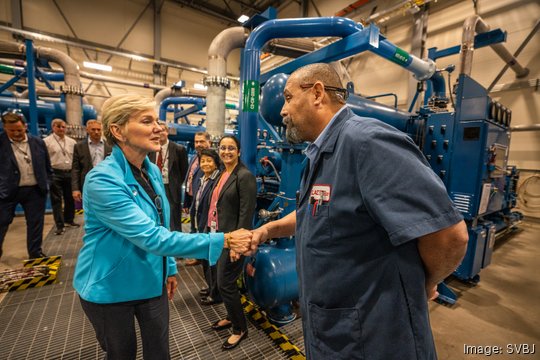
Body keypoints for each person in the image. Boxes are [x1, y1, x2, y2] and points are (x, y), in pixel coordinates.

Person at [249, 63, 469, 360]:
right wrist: (268, 229)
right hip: (333, 331)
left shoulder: (366, 142)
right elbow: (317, 213)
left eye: (288, 98)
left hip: (373, 337)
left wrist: (424, 283)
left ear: (317, 94)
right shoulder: (318, 154)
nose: (283, 111)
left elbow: (449, 234)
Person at [72, 94, 252, 360]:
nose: (158, 127)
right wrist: (223, 240)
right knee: (122, 353)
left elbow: (161, 221)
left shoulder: (152, 170)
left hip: (151, 280)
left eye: (157, 120)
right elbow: (153, 237)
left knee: (159, 352)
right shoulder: (102, 180)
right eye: (147, 121)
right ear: (118, 130)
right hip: (110, 286)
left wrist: (168, 269)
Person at [209, 135, 257, 350]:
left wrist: (238, 245)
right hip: (220, 236)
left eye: (231, 148)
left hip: (233, 240)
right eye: (223, 148)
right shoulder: (222, 173)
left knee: (226, 284)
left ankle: (240, 329)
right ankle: (231, 316)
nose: (226, 151)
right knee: (222, 282)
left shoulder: (244, 176)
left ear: (238, 152)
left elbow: (246, 213)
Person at [0, 109, 52, 260]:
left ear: (25, 126)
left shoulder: (38, 142)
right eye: (12, 131)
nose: (16, 133)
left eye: (19, 130)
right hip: (8, 192)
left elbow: (47, 167)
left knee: (36, 224)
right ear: (5, 128)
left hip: (35, 190)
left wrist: (47, 183)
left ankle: (35, 254)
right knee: (2, 223)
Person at [189, 149, 222, 305]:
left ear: (216, 163)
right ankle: (210, 287)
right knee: (204, 260)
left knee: (211, 262)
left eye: (209, 160)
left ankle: (216, 293)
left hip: (210, 227)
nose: (205, 164)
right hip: (199, 223)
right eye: (203, 161)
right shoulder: (202, 178)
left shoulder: (217, 180)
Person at [148, 123, 188, 231]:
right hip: (154, 186)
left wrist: (176, 183)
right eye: (157, 131)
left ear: (167, 132)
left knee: (174, 217)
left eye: (162, 130)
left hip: (171, 188)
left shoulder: (179, 149)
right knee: (155, 213)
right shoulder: (150, 149)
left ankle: (176, 240)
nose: (160, 133)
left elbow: (184, 171)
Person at [44, 118, 78, 235]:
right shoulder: (47, 142)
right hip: (55, 173)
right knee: (57, 200)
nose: (61, 129)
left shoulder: (72, 142)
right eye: (58, 126)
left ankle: (69, 220)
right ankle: (59, 225)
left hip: (69, 172)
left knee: (70, 198)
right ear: (53, 127)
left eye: (63, 127)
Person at [183, 131, 212, 266]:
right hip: (193, 198)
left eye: (201, 141)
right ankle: (197, 255)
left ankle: (202, 257)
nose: (198, 144)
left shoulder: (212, 159)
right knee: (194, 228)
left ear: (209, 142)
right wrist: (187, 200)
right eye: (196, 142)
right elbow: (189, 179)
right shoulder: (195, 158)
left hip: (204, 201)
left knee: (202, 229)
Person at [71, 120, 112, 203]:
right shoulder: (79, 146)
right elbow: (76, 169)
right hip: (88, 183)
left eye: (98, 129)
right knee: (90, 208)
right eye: (93, 129)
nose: (96, 132)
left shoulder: (109, 146)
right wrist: (75, 189)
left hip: (106, 182)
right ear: (87, 130)